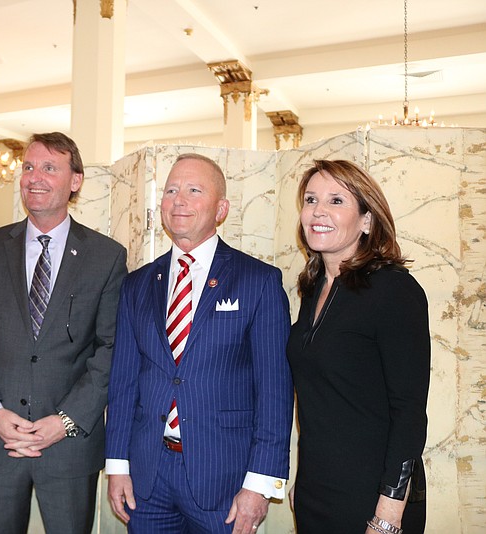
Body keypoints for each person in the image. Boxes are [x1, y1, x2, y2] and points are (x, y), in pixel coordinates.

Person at [105, 153, 293, 534]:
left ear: (221, 208)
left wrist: (259, 485)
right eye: (171, 190)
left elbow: (275, 392)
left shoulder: (258, 281)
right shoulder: (137, 284)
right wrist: (117, 465)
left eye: (194, 190)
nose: (179, 200)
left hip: (225, 479)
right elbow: (123, 382)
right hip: (147, 477)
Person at [0, 132, 128, 534]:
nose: (35, 177)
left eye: (50, 168)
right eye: (29, 167)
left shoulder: (106, 256)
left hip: (68, 446)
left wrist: (64, 421)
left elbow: (110, 349)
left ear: (75, 181)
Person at [287, 159, 430, 534]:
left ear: (367, 220)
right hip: (316, 490)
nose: (318, 211)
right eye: (311, 199)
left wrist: (387, 515)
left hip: (374, 499)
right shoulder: (313, 287)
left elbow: (410, 413)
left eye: (336, 201)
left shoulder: (395, 291)